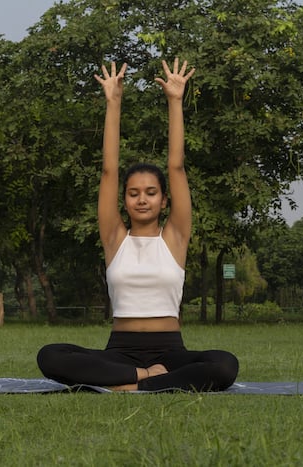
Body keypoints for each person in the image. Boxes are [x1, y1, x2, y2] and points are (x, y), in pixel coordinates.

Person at [36, 58, 239, 392]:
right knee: (50, 355)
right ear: (125, 200)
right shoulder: (115, 238)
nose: (142, 199)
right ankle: (146, 380)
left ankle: (127, 385)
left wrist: (175, 101)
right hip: (120, 352)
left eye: (150, 192)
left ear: (164, 200)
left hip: (171, 352)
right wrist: (113, 102)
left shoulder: (175, 237)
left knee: (225, 364)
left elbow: (177, 168)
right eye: (133, 193)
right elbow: (108, 171)